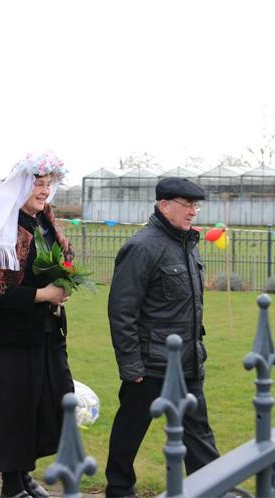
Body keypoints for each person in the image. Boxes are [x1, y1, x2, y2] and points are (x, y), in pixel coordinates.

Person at [0, 151, 74, 498]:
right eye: (38, 184)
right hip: (7, 339)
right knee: (12, 410)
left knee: (42, 405)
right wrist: (42, 295)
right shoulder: (2, 223)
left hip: (43, 332)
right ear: (21, 185)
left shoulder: (44, 222)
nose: (44, 191)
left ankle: (24, 474)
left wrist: (62, 287)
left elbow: (59, 265)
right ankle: (11, 485)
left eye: (48, 184)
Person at [105, 177, 220, 498]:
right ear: (164, 205)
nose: (193, 212)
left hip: (187, 361)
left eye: (196, 206)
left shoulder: (187, 244)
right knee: (131, 428)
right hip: (150, 364)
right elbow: (122, 310)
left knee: (198, 432)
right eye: (187, 205)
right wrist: (131, 365)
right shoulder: (142, 247)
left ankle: (213, 487)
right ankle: (119, 488)